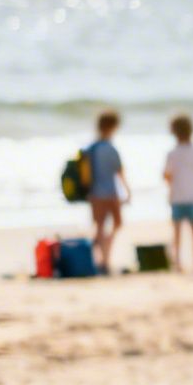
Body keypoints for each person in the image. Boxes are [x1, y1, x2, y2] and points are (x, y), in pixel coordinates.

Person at [163, 113, 193, 273]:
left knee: (177, 231)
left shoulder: (172, 153)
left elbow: (166, 175)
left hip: (177, 196)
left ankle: (177, 262)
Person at [86, 110, 129, 274]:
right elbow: (120, 172)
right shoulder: (111, 149)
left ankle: (100, 260)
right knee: (116, 225)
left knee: (99, 227)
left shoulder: (91, 148)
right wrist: (127, 191)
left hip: (94, 194)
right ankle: (105, 259)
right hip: (111, 193)